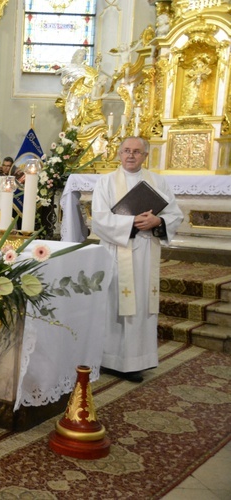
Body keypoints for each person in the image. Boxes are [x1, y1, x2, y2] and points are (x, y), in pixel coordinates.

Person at [91, 137, 183, 383]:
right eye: (126, 151)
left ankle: (136, 361)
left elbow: (175, 214)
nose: (131, 155)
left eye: (137, 152)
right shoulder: (106, 182)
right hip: (116, 252)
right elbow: (99, 219)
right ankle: (109, 359)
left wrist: (158, 222)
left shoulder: (158, 182)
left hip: (145, 251)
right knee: (114, 304)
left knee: (140, 304)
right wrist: (131, 222)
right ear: (119, 154)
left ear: (145, 156)